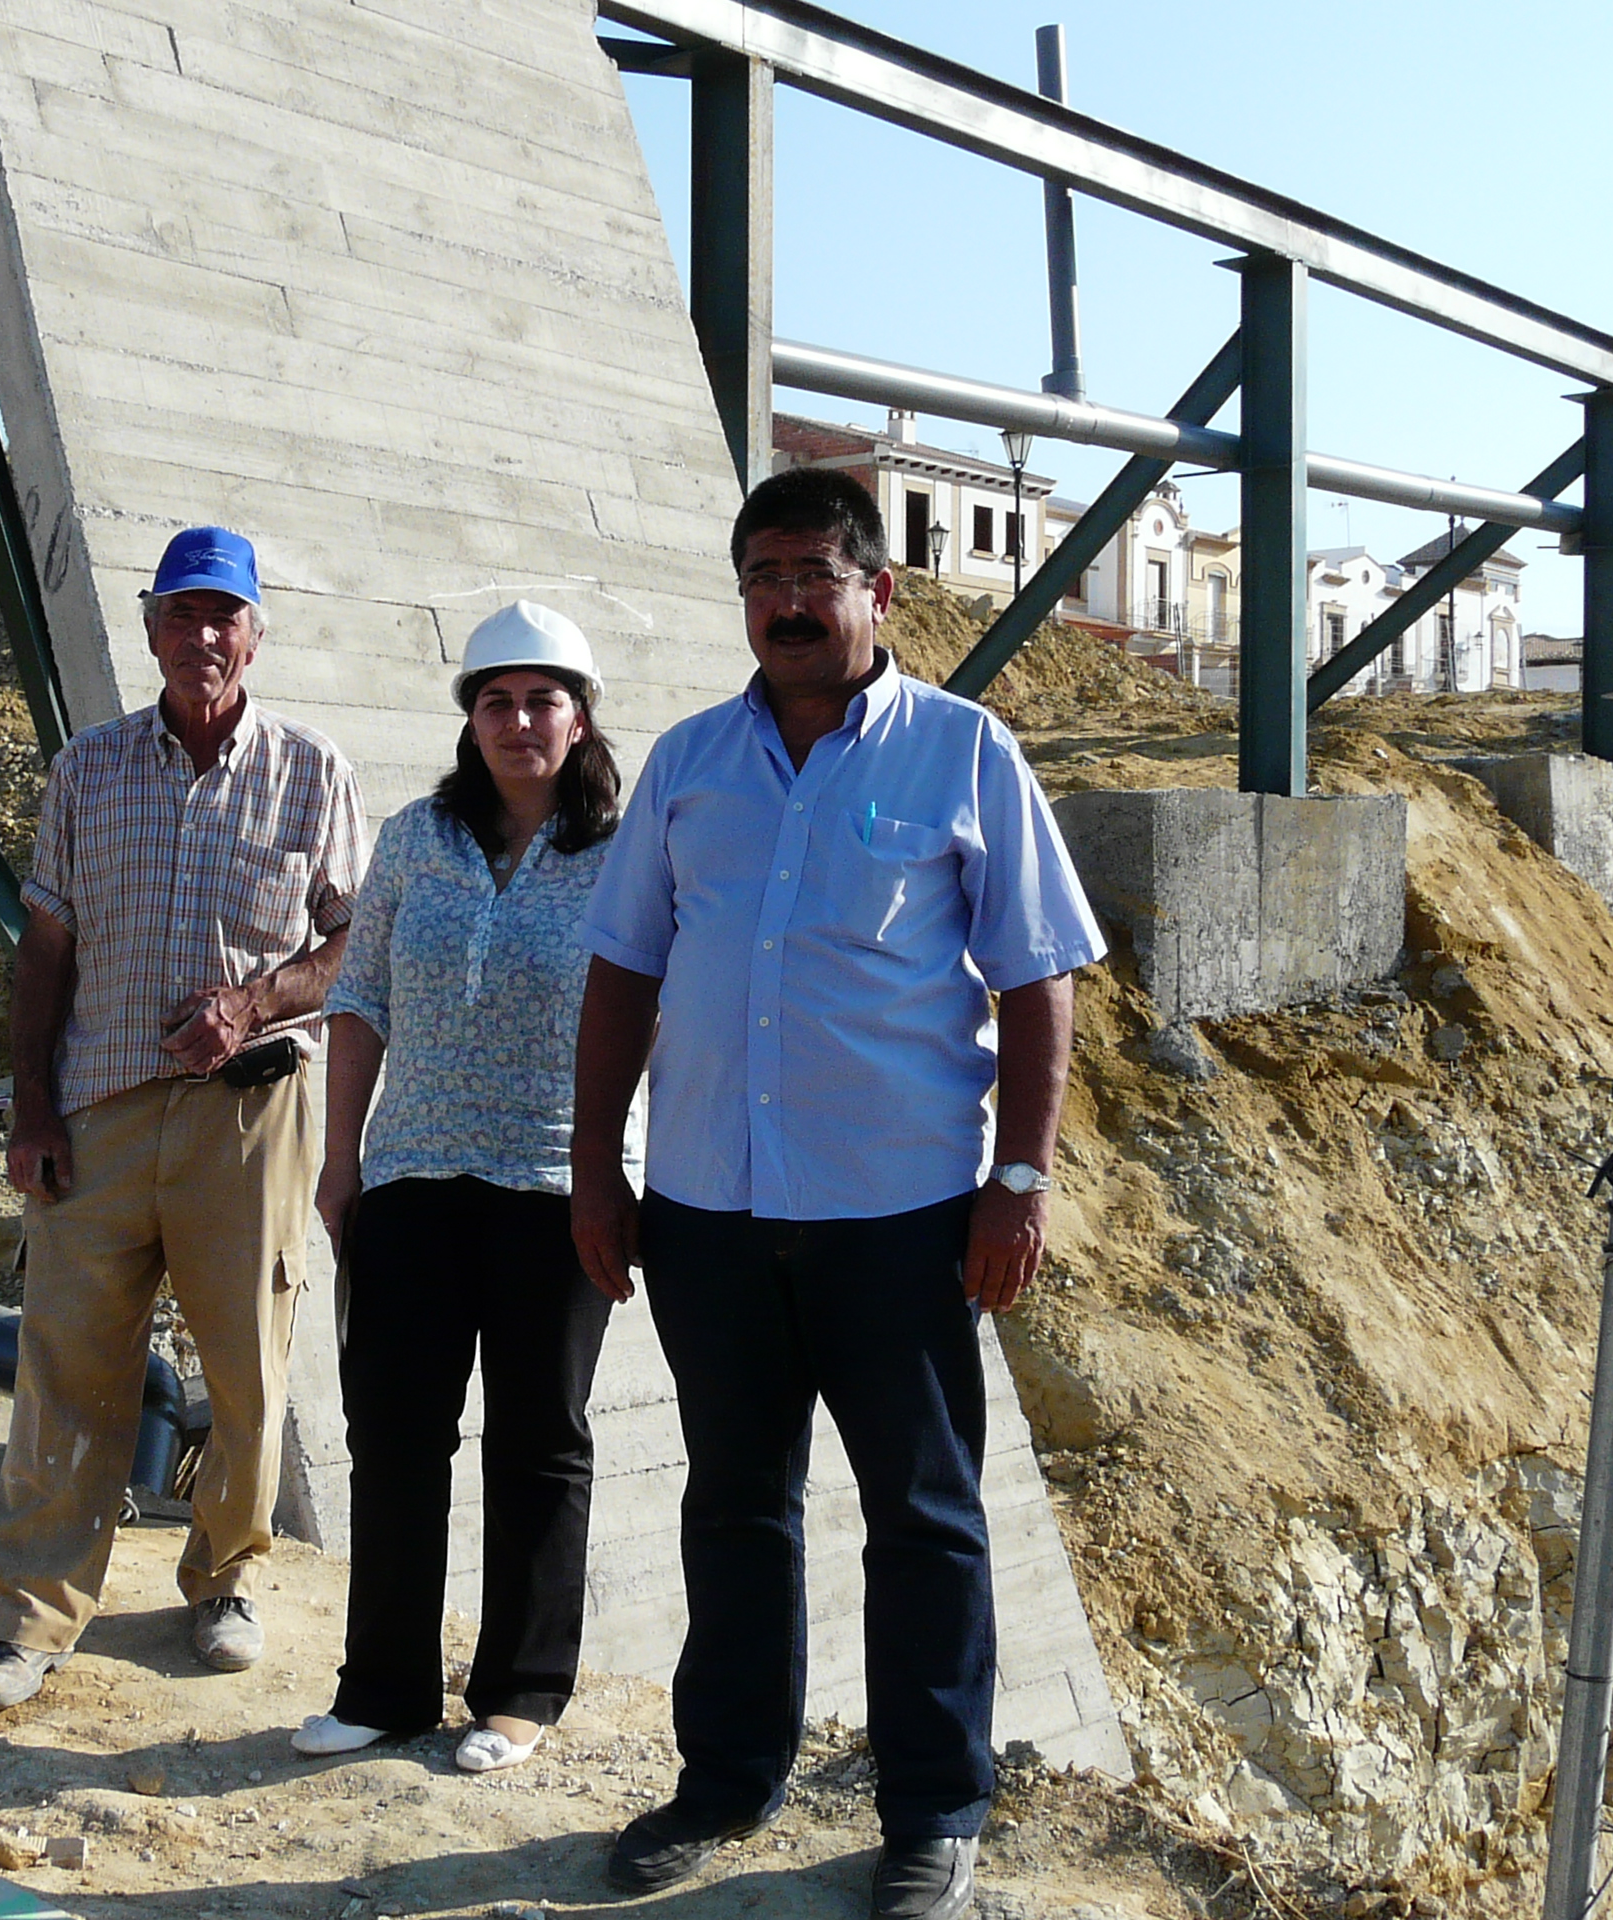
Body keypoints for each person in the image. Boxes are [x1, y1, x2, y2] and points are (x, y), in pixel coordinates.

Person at [569, 469, 1104, 1920]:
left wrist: (1020, 1178)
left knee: (922, 1514)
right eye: (762, 575)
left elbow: (1036, 977)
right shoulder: (687, 763)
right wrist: (596, 1171)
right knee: (736, 1501)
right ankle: (727, 1777)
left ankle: (934, 1807)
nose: (788, 601)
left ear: (877, 589)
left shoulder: (963, 753)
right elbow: (623, 971)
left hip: (902, 1219)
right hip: (708, 1212)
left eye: (815, 572)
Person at [0, 525, 366, 1714]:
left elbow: (352, 946)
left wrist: (252, 1003)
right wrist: (32, 1101)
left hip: (252, 1117)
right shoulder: (88, 770)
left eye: (223, 617)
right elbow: (48, 942)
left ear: (254, 634)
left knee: (244, 1363)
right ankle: (30, 1613)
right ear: (149, 628)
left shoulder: (310, 770)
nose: (203, 638)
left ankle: (225, 1581)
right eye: (181, 616)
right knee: (64, 1365)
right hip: (98, 1109)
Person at [293, 601, 624, 1774]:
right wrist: (342, 1164)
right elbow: (360, 1000)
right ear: (469, 720)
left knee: (540, 1441)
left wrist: (626, 1180)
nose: (519, 721)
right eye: (496, 701)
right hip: (414, 1177)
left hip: (552, 1184)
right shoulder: (414, 840)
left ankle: (521, 1693)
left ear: (580, 719)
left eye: (543, 700)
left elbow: (659, 1020)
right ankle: (381, 1688)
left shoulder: (627, 857)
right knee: (394, 1435)